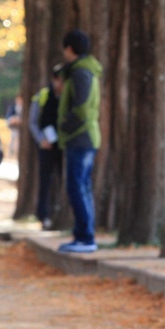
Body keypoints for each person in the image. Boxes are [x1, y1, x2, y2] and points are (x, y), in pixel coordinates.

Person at [54, 30, 103, 255]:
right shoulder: (82, 70)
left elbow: (81, 108)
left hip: (81, 137)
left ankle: (85, 237)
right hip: (83, 136)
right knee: (81, 187)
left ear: (69, 48)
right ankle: (84, 235)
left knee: (77, 187)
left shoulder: (80, 72)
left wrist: (65, 126)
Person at [31, 64, 64, 229]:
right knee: (45, 181)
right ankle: (44, 215)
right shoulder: (42, 96)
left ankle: (60, 214)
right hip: (46, 146)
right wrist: (41, 140)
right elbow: (32, 122)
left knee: (63, 180)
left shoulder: (68, 96)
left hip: (63, 147)